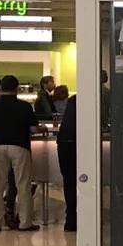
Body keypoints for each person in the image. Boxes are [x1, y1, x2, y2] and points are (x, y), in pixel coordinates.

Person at [0, 75, 42, 233]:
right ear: (17, 88)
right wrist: (41, 128)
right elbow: (34, 129)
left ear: (1, 88)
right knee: (23, 185)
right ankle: (25, 222)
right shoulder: (24, 106)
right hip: (20, 147)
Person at [57, 94, 77, 233]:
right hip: (77, 144)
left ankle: (70, 218)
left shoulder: (72, 101)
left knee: (69, 183)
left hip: (64, 145)